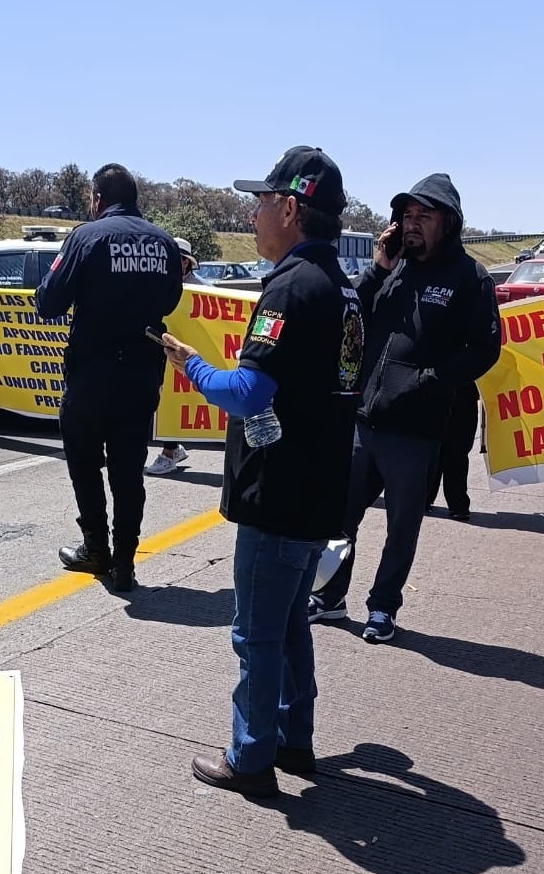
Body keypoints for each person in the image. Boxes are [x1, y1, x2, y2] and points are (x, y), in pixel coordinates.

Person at [160, 145, 364, 797]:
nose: (252, 216)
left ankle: (251, 759)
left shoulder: (290, 287)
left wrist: (191, 365)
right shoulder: (342, 287)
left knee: (256, 634)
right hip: (320, 484)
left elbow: (248, 392)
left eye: (261, 202)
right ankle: (293, 738)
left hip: (279, 489)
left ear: (290, 209)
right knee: (292, 623)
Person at [309, 174, 500, 642]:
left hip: (415, 430)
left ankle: (383, 607)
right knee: (338, 515)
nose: (411, 224)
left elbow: (485, 348)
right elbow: (349, 310)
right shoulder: (393, 268)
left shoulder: (470, 278)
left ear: (448, 222)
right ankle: (330, 596)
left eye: (423, 216)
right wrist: (378, 268)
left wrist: (429, 381)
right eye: (407, 215)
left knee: (402, 527)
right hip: (363, 420)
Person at [35, 162, 183, 591]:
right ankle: (126, 563)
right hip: (141, 375)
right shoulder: (164, 242)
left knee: (84, 463)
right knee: (128, 471)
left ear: (98, 199)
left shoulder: (86, 236)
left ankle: (96, 548)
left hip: (91, 375)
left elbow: (49, 302)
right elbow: (170, 300)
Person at [146, 237, 205, 478]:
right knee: (164, 400)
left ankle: (169, 453)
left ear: (185, 263)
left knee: (174, 400)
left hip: (185, 354)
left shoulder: (201, 289)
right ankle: (173, 448)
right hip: (163, 352)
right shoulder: (159, 284)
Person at [425, 379, 479, 519]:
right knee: (434, 449)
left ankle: (458, 505)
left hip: (464, 393)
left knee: (457, 452)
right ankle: (425, 498)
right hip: (437, 390)